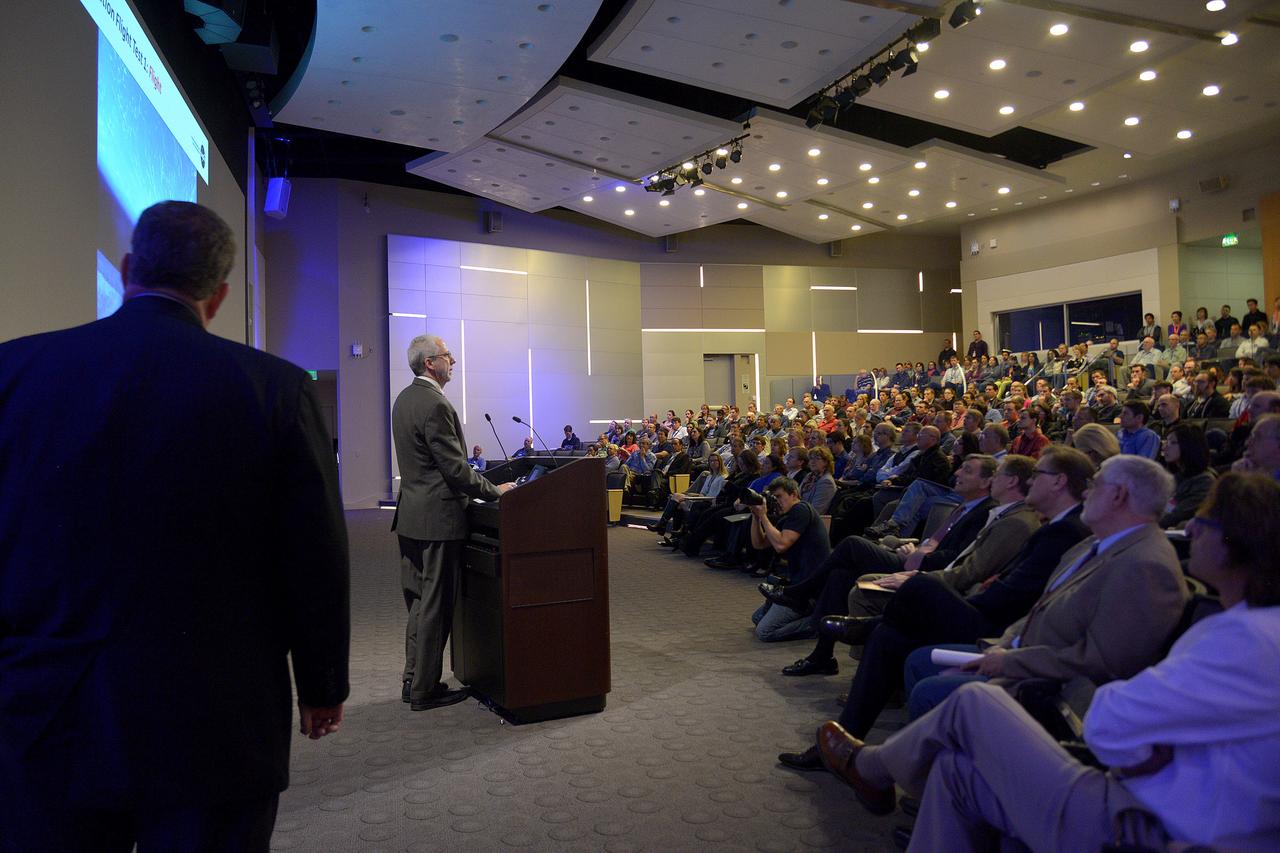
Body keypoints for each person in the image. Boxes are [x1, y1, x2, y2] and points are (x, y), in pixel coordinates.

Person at [0, 202, 350, 851]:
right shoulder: (275, 389)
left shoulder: (12, 372)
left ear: (129, 268)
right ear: (217, 296)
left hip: (45, 712)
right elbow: (315, 554)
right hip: (218, 720)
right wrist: (323, 683)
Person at [816, 472, 1280, 852]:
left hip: (1147, 824)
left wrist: (1148, 731)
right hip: (1148, 796)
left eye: (1206, 522)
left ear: (1238, 544)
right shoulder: (1239, 626)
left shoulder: (1244, 638)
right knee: (956, 772)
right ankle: (875, 765)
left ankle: (873, 767)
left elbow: (1106, 721)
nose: (1190, 529)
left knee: (974, 704)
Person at [393, 335, 515, 712]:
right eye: (448, 355)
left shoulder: (404, 400)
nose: (454, 361)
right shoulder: (434, 404)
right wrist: (496, 490)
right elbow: (455, 470)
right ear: (431, 363)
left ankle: (413, 677)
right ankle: (425, 688)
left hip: (412, 516)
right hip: (439, 520)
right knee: (435, 605)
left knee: (418, 603)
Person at [749, 477, 834, 641]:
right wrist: (756, 517)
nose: (776, 501)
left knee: (764, 632)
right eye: (774, 498)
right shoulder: (787, 518)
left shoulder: (801, 510)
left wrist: (764, 517)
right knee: (757, 618)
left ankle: (815, 623)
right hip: (796, 583)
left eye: (779, 496)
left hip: (809, 589)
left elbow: (781, 545)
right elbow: (759, 544)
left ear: (794, 494)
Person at [1159, 423, 1213, 528]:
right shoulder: (1175, 475)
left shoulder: (1204, 482)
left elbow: (1175, 516)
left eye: (1172, 443)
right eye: (1166, 441)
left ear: (1188, 446)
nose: (1165, 447)